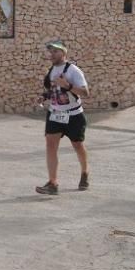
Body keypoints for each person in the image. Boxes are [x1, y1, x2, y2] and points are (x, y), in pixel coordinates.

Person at [36, 41, 90, 195]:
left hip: (74, 115)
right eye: (50, 52)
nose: (52, 54)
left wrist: (68, 86)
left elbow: (85, 93)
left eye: (55, 51)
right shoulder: (51, 71)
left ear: (64, 53)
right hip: (55, 114)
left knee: (78, 146)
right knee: (50, 146)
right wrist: (43, 97)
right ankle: (53, 183)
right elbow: (54, 90)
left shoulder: (74, 71)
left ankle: (85, 172)